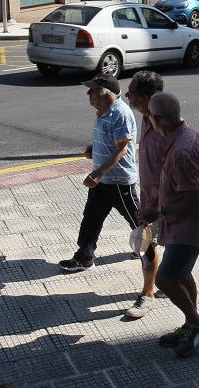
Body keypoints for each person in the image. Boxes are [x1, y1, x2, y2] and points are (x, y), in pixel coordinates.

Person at [140, 92, 199, 358]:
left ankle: (196, 323)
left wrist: (157, 211)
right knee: (181, 273)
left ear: (157, 119)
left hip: (187, 226)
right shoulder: (183, 135)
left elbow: (193, 200)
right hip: (181, 223)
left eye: (148, 115)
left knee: (166, 278)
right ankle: (191, 323)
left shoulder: (181, 151)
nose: (147, 119)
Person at [58, 74, 141, 273]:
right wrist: (94, 148)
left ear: (106, 94)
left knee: (138, 220)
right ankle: (84, 257)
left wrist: (97, 174)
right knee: (91, 218)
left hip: (120, 180)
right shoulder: (103, 111)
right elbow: (110, 141)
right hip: (104, 180)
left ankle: (150, 250)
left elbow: (121, 150)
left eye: (93, 90)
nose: (89, 93)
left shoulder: (120, 113)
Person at [120, 70, 167, 319]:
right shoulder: (147, 118)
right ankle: (168, 284)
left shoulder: (163, 124)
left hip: (163, 201)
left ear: (147, 97)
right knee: (153, 243)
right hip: (150, 195)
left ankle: (148, 294)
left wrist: (156, 205)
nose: (128, 96)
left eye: (132, 92)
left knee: (147, 244)